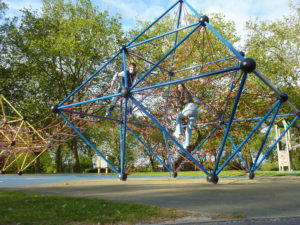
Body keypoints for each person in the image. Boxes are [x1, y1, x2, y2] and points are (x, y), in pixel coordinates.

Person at [173, 83, 199, 149]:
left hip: (190, 108)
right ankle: (186, 144)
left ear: (183, 87)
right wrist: (178, 105)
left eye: (180, 86)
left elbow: (187, 100)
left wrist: (180, 103)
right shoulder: (182, 94)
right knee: (189, 128)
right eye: (178, 87)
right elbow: (182, 104)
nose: (179, 88)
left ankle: (178, 132)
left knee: (178, 117)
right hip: (195, 111)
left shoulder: (186, 91)